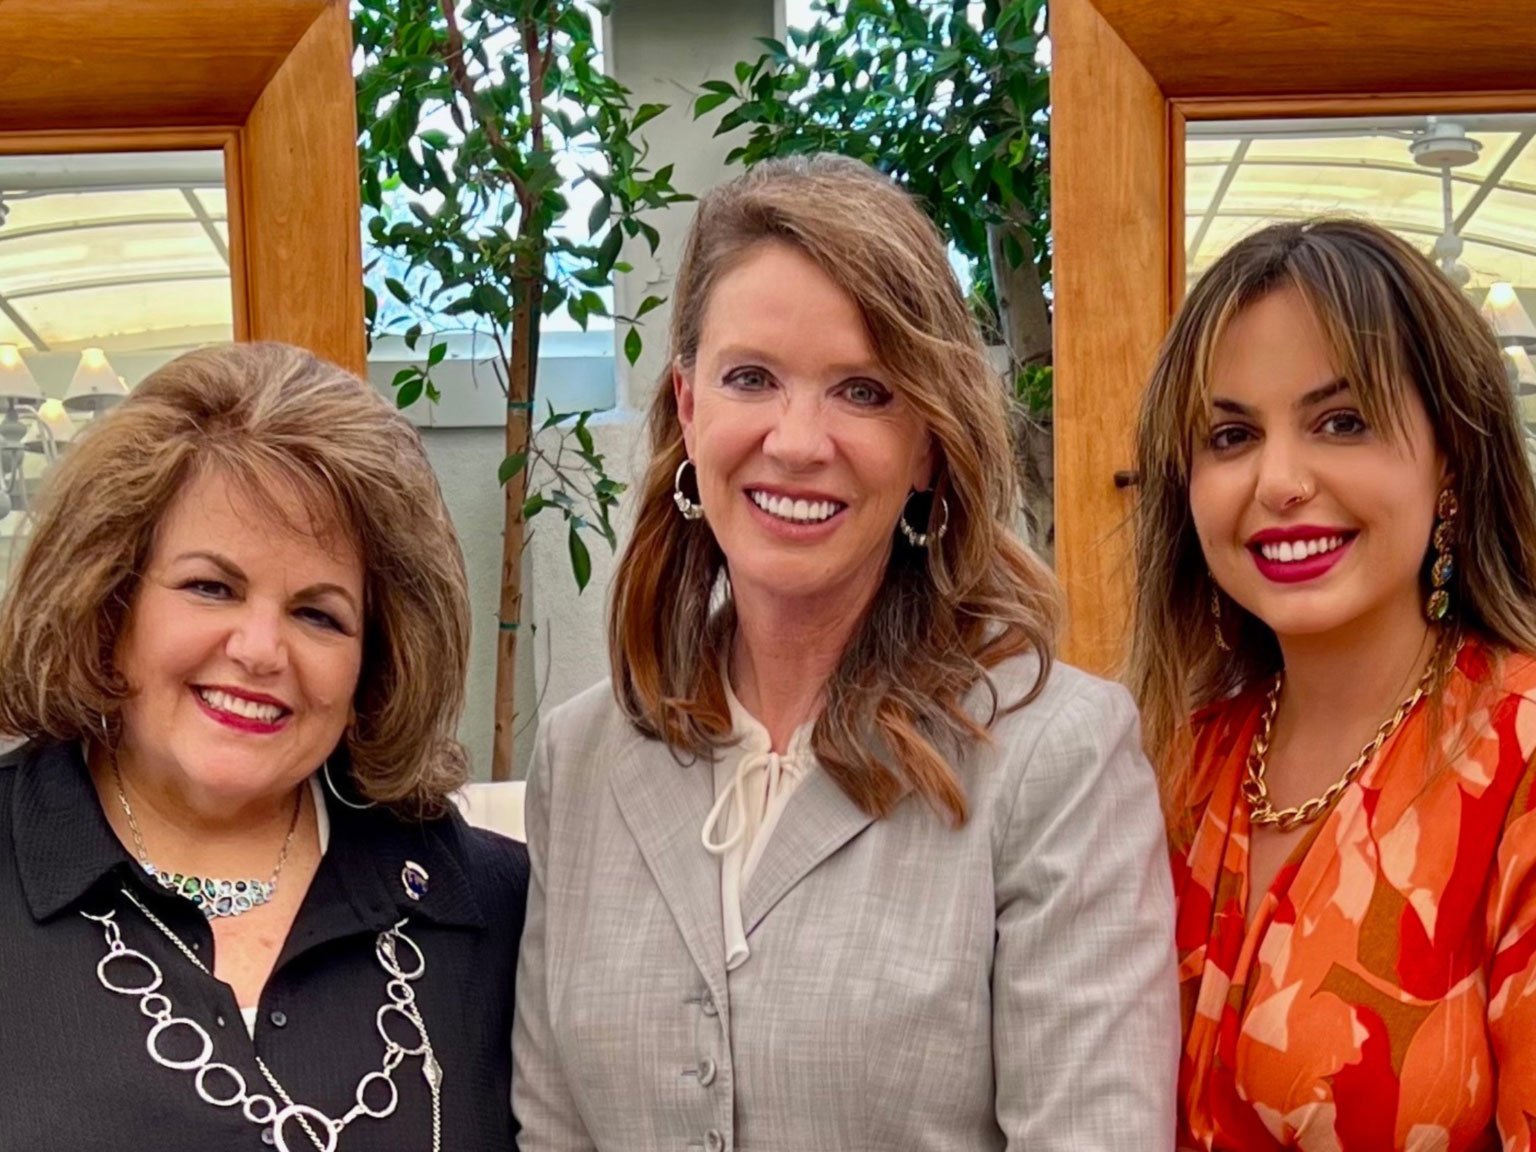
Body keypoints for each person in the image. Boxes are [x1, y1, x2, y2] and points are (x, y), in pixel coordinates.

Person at [512, 154, 1178, 1151]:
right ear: (689, 406)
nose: (797, 441)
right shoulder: (581, 757)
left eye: (863, 392)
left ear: (929, 444)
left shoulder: (1056, 755)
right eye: (751, 379)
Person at [0, 342, 529, 1152]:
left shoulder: (494, 910)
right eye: (211, 587)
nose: (259, 651)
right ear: (110, 598)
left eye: (318, 614)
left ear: (376, 660)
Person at [1129, 218, 1536, 1149]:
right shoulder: (1172, 763)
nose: (1279, 481)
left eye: (1340, 422)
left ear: (1452, 457)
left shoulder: (1519, 755)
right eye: (1231, 435)